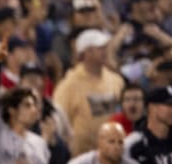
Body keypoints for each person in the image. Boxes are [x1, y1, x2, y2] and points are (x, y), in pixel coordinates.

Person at [53, 28, 125, 156]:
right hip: (81, 157)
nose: (105, 52)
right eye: (100, 48)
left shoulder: (116, 80)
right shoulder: (69, 85)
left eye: (105, 47)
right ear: (86, 53)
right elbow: (59, 122)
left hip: (114, 154)